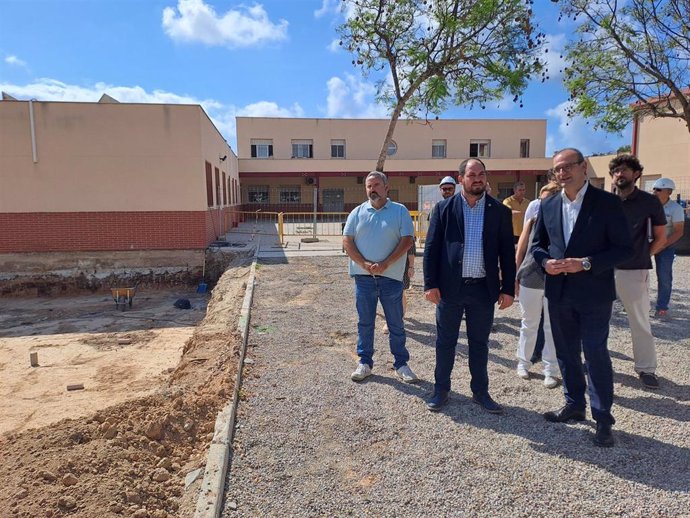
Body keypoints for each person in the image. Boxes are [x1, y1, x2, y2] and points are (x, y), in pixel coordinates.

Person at [531, 148, 633, 447]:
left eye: (567, 167)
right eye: (556, 170)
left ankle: (603, 418)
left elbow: (624, 248)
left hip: (594, 293)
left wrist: (586, 263)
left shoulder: (608, 203)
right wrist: (545, 262)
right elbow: (538, 245)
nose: (562, 174)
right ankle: (574, 404)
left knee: (595, 353)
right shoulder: (548, 205)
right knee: (565, 352)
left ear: (583, 167)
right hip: (559, 292)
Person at [423, 158, 515, 413]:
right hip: (450, 289)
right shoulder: (443, 209)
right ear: (461, 178)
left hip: (483, 290)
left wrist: (508, 288)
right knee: (445, 342)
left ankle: (480, 392)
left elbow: (507, 253)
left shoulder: (500, 211)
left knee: (479, 344)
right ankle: (441, 390)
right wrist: (430, 284)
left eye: (482, 174)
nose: (477, 179)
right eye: (472, 174)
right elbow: (431, 250)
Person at [343, 171, 419, 384]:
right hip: (364, 278)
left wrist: (386, 263)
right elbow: (347, 241)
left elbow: (407, 240)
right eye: (369, 186)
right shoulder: (357, 212)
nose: (372, 189)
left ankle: (401, 364)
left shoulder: (399, 211)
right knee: (365, 322)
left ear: (387, 187)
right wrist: (363, 264)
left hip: (391, 278)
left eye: (376, 185)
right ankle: (365, 363)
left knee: (395, 323)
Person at [609, 155, 667, 389]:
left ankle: (646, 369)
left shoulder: (649, 202)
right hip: (602, 269)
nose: (619, 174)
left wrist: (644, 255)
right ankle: (595, 361)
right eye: (615, 171)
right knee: (596, 318)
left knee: (640, 321)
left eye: (624, 170)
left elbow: (662, 237)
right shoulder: (604, 201)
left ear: (636, 174)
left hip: (634, 269)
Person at [515, 183, 561, 389]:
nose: (541, 204)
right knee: (529, 323)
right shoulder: (532, 222)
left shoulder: (566, 223)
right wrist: (514, 276)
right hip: (531, 277)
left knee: (552, 326)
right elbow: (522, 248)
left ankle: (550, 370)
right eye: (541, 200)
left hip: (556, 278)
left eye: (547, 199)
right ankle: (523, 363)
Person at [652, 178, 685, 317]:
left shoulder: (675, 209)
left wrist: (661, 246)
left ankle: (662, 306)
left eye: (658, 190)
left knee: (664, 276)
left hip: (665, 246)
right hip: (645, 243)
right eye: (654, 189)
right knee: (635, 275)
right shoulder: (649, 205)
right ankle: (634, 305)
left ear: (669, 192)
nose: (654, 192)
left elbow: (679, 231)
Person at [382, 242, 416, 334]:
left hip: (402, 266)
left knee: (399, 292)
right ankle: (398, 315)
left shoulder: (405, 228)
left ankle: (393, 320)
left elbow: (411, 248)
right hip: (385, 265)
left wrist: (411, 266)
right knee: (394, 293)